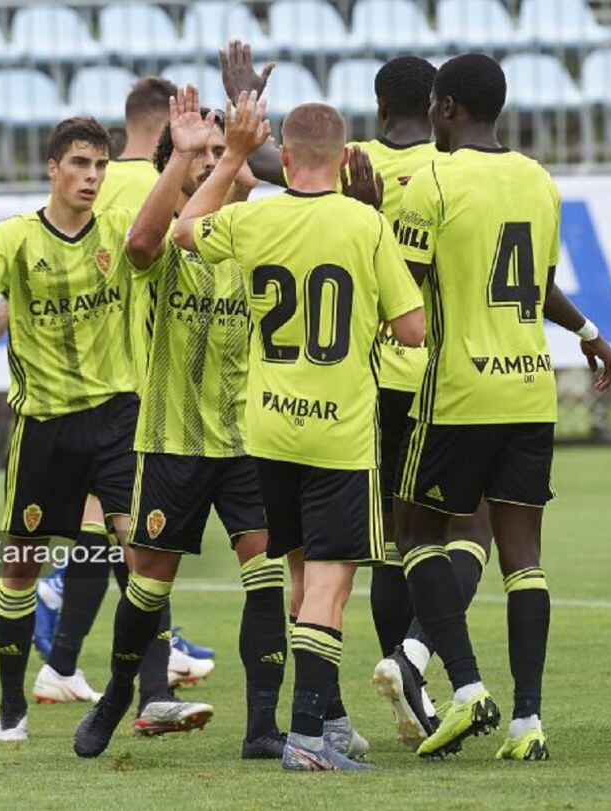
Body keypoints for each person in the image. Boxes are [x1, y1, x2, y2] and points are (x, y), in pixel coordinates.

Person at [220, 40, 493, 751]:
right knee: (441, 537)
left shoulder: (344, 165)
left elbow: (280, 163)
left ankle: (334, 707)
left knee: (329, 554)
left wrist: (245, 106)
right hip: (425, 385)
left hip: (333, 401)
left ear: (376, 110)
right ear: (441, 107)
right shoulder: (455, 169)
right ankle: (412, 661)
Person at [0, 77, 214, 710]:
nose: (91, 175)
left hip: (117, 394)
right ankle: (100, 668)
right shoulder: (138, 190)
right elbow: (36, 278)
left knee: (122, 535)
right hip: (113, 392)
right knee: (125, 538)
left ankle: (84, 666)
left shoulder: (119, 188)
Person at [180, 98, 424, 771]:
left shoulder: (255, 216)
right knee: (331, 586)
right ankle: (308, 737)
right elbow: (412, 330)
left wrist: (231, 153)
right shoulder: (365, 224)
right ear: (347, 160)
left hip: (269, 429)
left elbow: (184, 229)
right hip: (339, 433)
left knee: (298, 571)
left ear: (283, 157)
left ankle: (332, 722)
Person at [391, 53, 611, 761]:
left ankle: (464, 688)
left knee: (413, 533)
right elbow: (537, 282)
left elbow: (402, 287)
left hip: (459, 390)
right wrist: (586, 330)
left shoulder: (431, 179)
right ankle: (528, 722)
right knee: (523, 556)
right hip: (529, 386)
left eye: (434, 104)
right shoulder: (537, 179)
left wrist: (368, 219)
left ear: (449, 106)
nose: (430, 116)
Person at [0, 117, 140, 742]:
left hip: (119, 417)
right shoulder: (15, 237)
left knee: (138, 551)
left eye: (100, 166)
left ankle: (143, 693)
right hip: (45, 428)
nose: (92, 177)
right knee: (20, 568)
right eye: (80, 165)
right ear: (53, 168)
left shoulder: (120, 229)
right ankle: (13, 705)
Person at [77, 86, 287, 757]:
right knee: (148, 584)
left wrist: (240, 152)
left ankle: (261, 727)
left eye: (228, 152)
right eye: (210, 156)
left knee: (266, 578)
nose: (224, 162)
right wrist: (194, 157)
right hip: (173, 442)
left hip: (250, 442)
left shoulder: (260, 239)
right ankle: (116, 696)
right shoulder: (173, 242)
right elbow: (140, 245)